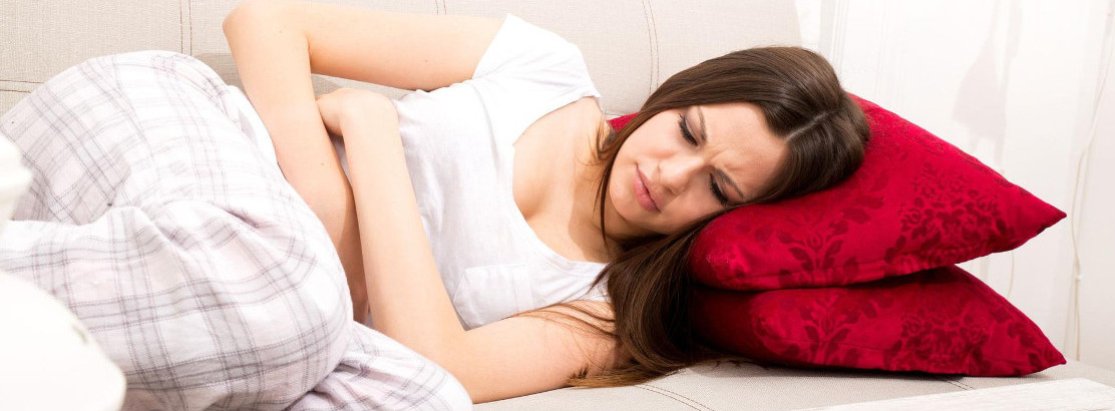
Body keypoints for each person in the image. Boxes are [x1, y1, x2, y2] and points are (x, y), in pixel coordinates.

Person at [222, 0, 869, 404]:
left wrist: (372, 132)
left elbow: (439, 367)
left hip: (272, 297)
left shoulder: (610, 314)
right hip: (227, 155)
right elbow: (265, 22)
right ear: (677, 94)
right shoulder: (547, 69)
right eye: (687, 131)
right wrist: (331, 212)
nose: (672, 175)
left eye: (718, 187)